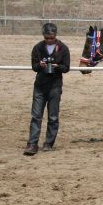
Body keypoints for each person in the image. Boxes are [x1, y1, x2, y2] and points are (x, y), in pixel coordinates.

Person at [24, 23, 70, 155]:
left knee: (53, 117)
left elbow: (66, 68)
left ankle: (49, 143)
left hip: (55, 86)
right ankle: (32, 144)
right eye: (47, 38)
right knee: (36, 116)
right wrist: (40, 65)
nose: (49, 40)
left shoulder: (63, 48)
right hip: (40, 86)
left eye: (51, 37)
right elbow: (34, 66)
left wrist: (57, 66)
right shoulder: (37, 48)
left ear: (55, 35)